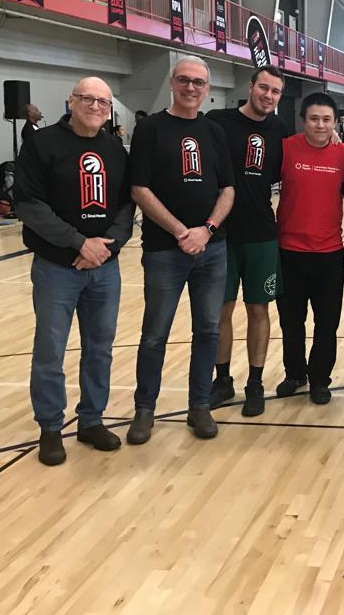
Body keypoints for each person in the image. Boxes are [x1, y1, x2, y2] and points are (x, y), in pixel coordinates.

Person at [15, 76, 134, 465]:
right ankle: (50, 428)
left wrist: (106, 246)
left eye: (103, 101)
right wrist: (78, 243)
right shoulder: (41, 144)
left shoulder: (115, 148)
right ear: (71, 100)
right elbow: (29, 205)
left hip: (105, 267)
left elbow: (125, 207)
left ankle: (91, 420)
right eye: (88, 99)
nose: (96, 106)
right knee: (50, 351)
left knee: (99, 348)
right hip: (57, 267)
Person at [127, 56, 235, 445]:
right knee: (155, 334)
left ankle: (199, 405)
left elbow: (228, 188)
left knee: (207, 330)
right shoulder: (150, 129)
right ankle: (144, 410)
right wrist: (179, 232)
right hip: (163, 250)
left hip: (212, 248)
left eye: (200, 83)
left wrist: (205, 230)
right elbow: (139, 189)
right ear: (172, 83)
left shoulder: (215, 132)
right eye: (185, 80)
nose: (192, 88)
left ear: (207, 89)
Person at [205, 66, 288, 416]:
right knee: (221, 311)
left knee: (259, 309)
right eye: (263, 88)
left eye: (275, 92)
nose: (268, 96)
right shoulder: (217, 121)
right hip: (220, 234)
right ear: (250, 86)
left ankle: (255, 382)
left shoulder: (279, 130)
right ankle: (222, 380)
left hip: (261, 234)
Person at [274, 92, 344, 404]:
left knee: (327, 322)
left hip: (329, 253)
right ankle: (295, 373)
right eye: (314, 119)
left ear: (335, 123)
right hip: (289, 250)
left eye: (326, 120)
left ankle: (320, 378)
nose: (320, 125)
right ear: (303, 120)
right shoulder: (285, 148)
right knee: (291, 321)